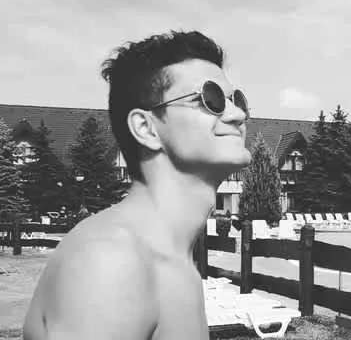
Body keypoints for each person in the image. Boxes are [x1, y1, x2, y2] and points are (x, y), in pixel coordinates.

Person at [23, 31, 251, 340]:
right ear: (146, 128)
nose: (238, 114)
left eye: (237, 100)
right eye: (210, 99)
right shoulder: (113, 259)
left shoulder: (172, 259)